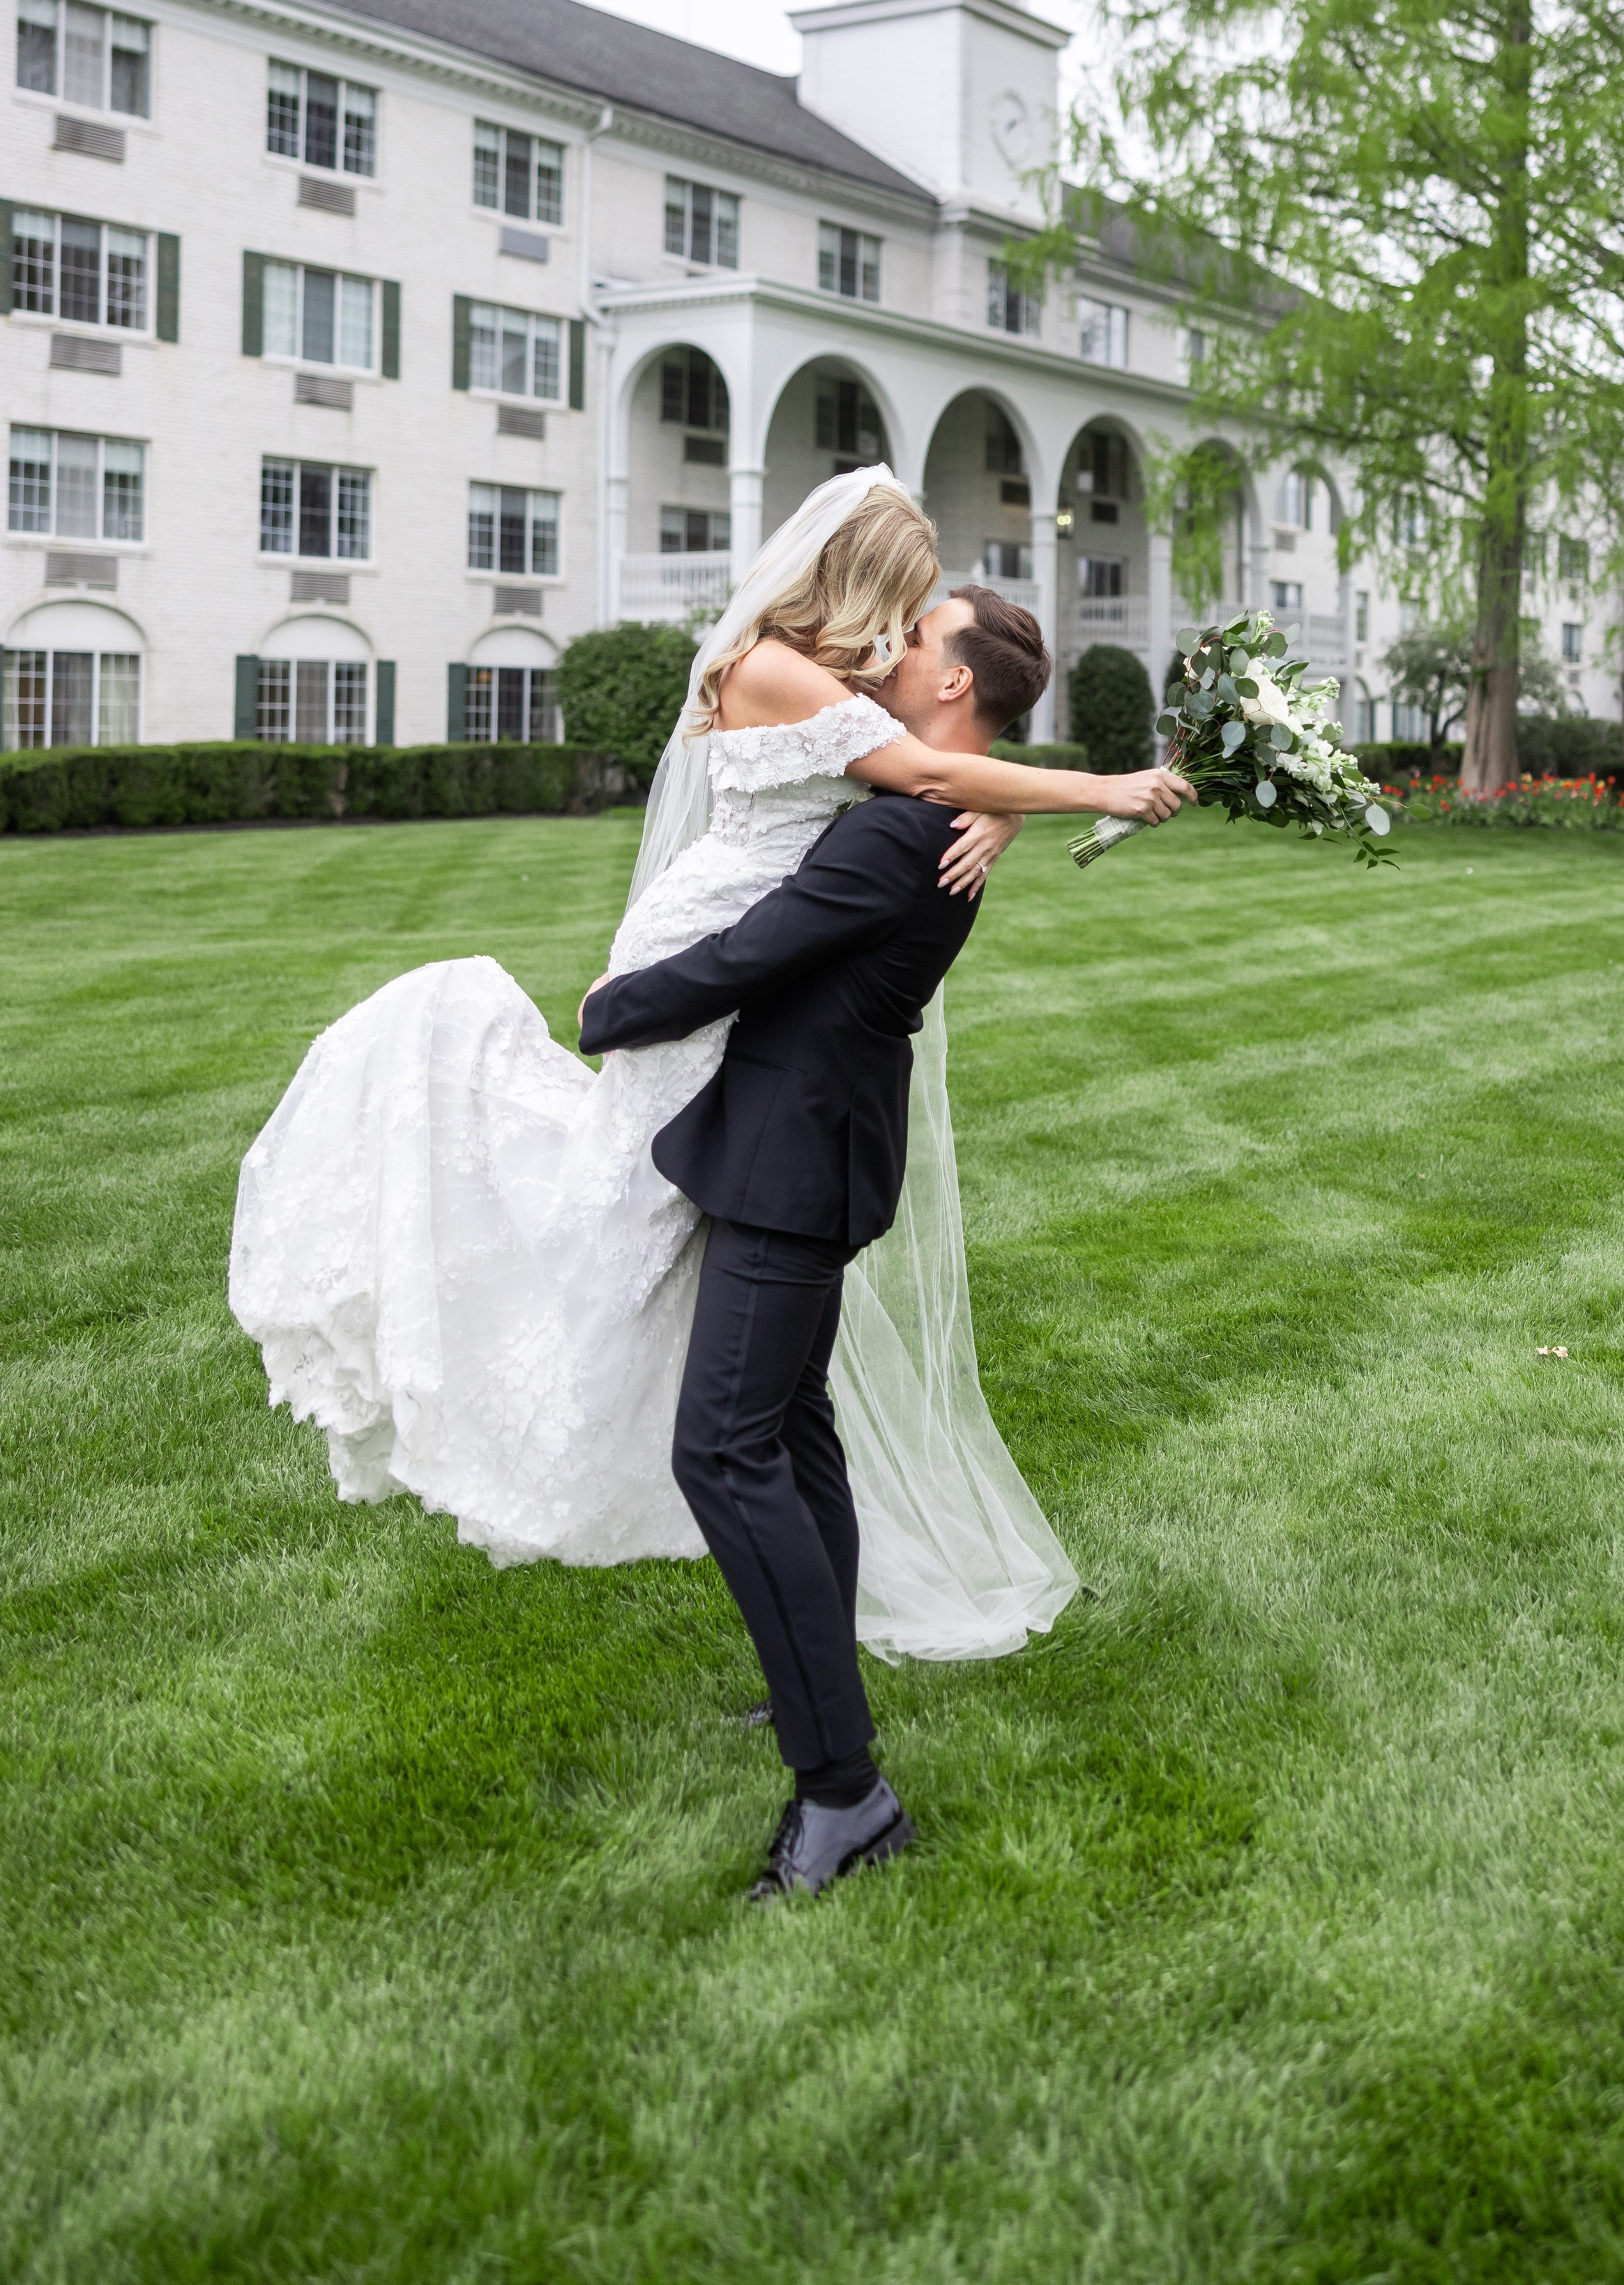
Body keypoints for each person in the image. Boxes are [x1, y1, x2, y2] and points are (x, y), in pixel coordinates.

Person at [228, 472, 1190, 1674]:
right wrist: (1067, 792)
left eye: (918, 627)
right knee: (631, 1239)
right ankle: (568, 1405)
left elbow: (942, 768)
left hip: (756, 1035)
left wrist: (1009, 806)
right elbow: (936, 768)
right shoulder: (785, 674)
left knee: (721, 1368)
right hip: (717, 972)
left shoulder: (856, 716)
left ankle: (813, 1697)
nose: (900, 636)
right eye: (900, 605)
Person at [579, 578, 1194, 1897]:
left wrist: (610, 1010)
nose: (890, 650)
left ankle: (846, 1793)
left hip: (792, 1158)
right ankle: (817, 1679)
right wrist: (1013, 805)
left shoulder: (906, 834)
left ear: (955, 681)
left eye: (916, 639)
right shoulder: (939, 817)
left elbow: (752, 953)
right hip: (821, 1145)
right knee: (793, 1426)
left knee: (723, 1448)